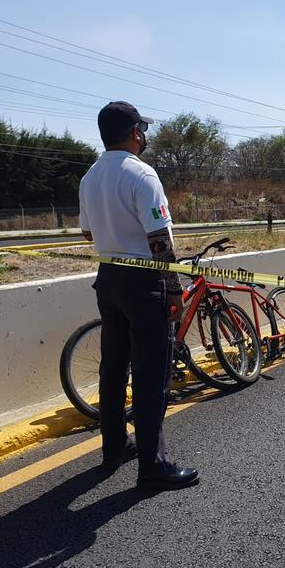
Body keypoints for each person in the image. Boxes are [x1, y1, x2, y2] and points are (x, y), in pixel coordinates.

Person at [79, 101, 199, 490]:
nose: (144, 136)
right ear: (134, 133)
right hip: (143, 280)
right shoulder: (142, 174)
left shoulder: (90, 177)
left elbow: (88, 234)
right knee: (151, 375)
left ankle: (114, 446)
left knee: (112, 369)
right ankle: (153, 466)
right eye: (142, 130)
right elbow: (159, 238)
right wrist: (174, 286)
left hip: (108, 277)